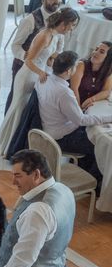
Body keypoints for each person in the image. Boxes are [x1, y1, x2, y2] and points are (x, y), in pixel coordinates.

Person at [0, 8, 78, 157]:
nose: (72, 29)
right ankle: (5, 145)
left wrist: (51, 62)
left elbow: (48, 56)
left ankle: (12, 144)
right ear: (64, 24)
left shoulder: (54, 35)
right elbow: (28, 60)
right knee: (18, 109)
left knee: (23, 111)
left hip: (36, 75)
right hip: (28, 75)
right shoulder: (44, 36)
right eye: (72, 25)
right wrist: (41, 72)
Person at [37, 50, 112, 185]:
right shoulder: (64, 92)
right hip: (63, 138)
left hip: (50, 129)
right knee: (102, 146)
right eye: (76, 66)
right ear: (69, 71)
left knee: (95, 134)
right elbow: (81, 120)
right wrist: (108, 117)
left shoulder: (44, 79)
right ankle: (94, 184)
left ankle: (86, 172)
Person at [6, 0, 62, 113]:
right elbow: (15, 45)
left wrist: (51, 57)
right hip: (23, 66)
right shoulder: (30, 20)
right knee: (15, 101)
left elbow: (60, 46)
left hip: (43, 69)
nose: (57, 1)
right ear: (43, 0)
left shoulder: (60, 20)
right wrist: (30, 58)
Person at [70, 41, 112, 110]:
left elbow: (106, 91)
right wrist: (79, 109)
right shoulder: (81, 65)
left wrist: (91, 99)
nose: (95, 52)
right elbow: (73, 89)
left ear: (108, 58)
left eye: (101, 52)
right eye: (96, 49)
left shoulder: (108, 72)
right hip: (72, 103)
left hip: (87, 106)